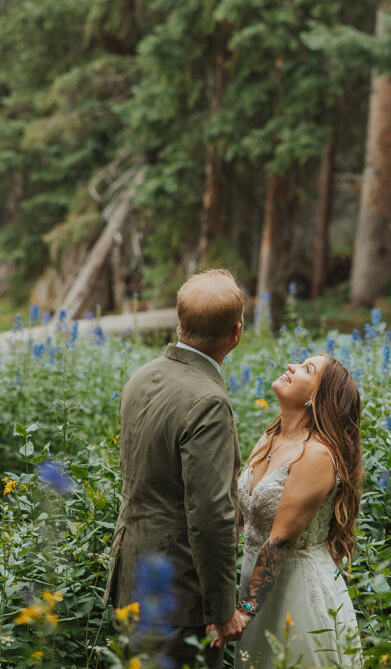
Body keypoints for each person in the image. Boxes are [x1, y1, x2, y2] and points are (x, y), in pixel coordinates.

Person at [104, 268, 245, 668]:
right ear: (235, 334)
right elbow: (211, 515)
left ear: (179, 323)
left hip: (129, 578)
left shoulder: (141, 377)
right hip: (178, 595)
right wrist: (221, 608)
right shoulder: (207, 402)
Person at [218, 354, 363, 669]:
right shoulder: (271, 438)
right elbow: (240, 514)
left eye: (306, 369)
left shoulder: (316, 455)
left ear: (316, 398)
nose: (291, 367)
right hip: (256, 587)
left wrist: (244, 611)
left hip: (296, 593)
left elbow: (281, 540)